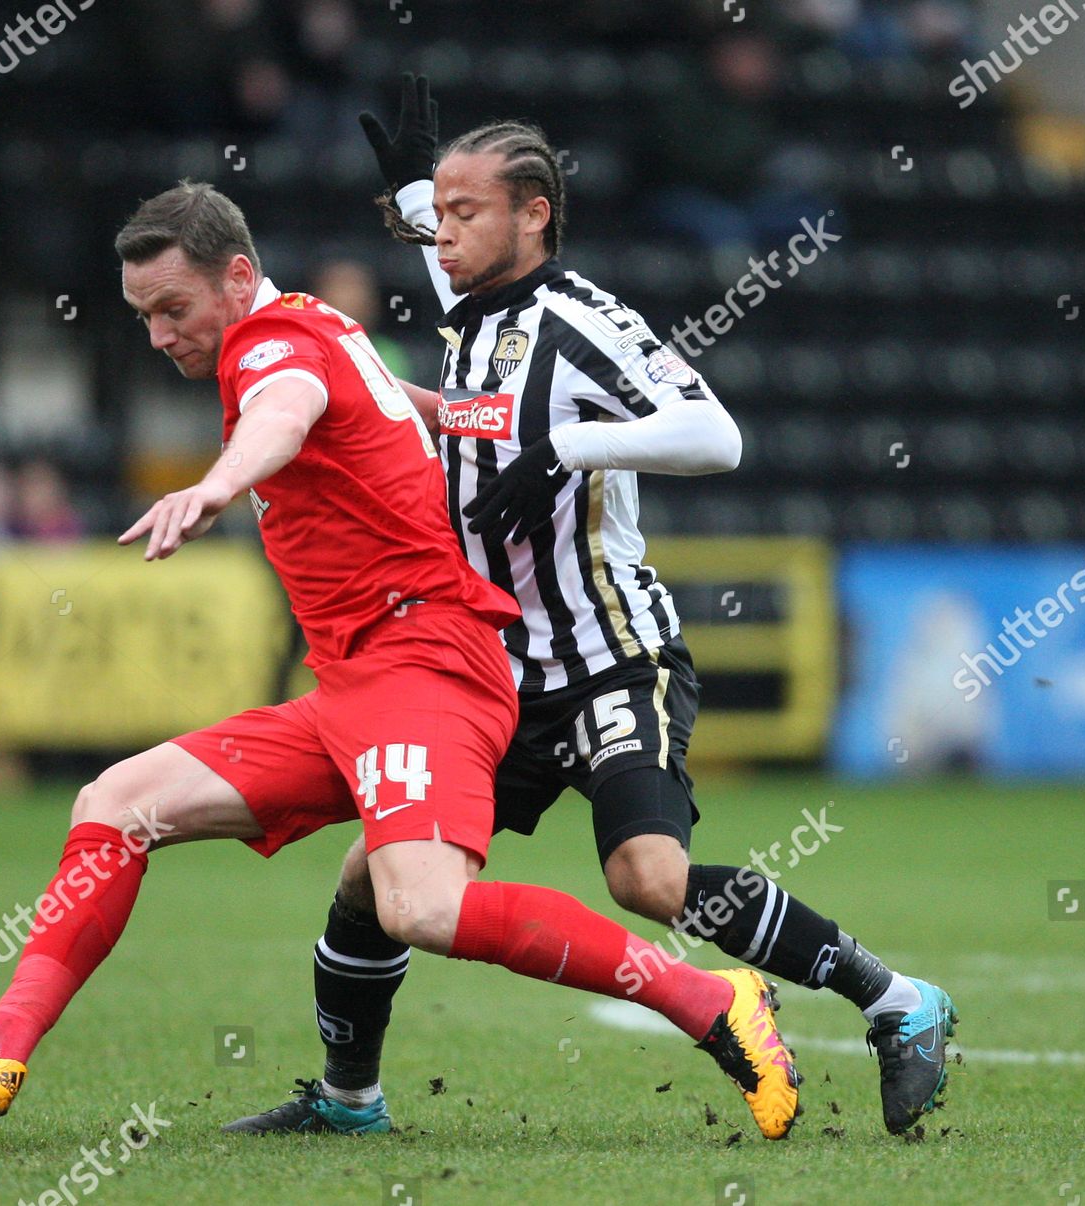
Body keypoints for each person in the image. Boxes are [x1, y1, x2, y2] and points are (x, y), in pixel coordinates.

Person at [0, 180, 800, 1137]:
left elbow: (283, 415)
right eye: (143, 317)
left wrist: (216, 485)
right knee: (114, 804)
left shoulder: (273, 347)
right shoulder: (321, 322)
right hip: (355, 685)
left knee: (420, 905)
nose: (160, 335)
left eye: (174, 309)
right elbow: (394, 402)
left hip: (428, 667)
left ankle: (712, 1003)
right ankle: (3, 1049)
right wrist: (493, 421)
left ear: (238, 277)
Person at [222, 76, 954, 1140]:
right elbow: (471, 338)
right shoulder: (475, 315)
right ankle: (347, 1099)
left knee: (649, 881)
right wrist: (420, 206)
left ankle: (899, 1001)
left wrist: (564, 446)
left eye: (468, 213)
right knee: (379, 879)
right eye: (444, 214)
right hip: (496, 670)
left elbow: (718, 438)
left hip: (611, 657)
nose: (445, 234)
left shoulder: (581, 322)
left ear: (536, 217)